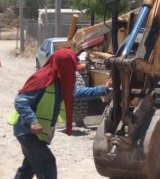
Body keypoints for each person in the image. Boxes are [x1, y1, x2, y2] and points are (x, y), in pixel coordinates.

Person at [7, 49, 110, 179]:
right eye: (71, 67)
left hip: (36, 134)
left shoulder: (61, 80)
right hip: (27, 131)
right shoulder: (42, 78)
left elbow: (77, 93)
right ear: (63, 66)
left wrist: (103, 89)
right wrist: (33, 121)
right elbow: (20, 101)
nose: (73, 71)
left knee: (29, 166)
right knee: (47, 164)